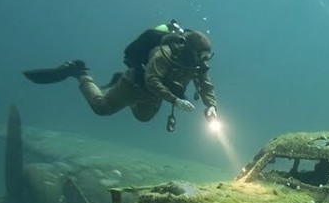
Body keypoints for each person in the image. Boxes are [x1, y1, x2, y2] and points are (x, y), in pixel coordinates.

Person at [24, 20, 219, 131]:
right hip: (135, 84)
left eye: (206, 56)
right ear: (189, 49)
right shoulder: (164, 53)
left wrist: (211, 106)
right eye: (201, 55)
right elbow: (151, 80)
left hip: (155, 94)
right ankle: (80, 73)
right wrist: (175, 100)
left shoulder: (196, 63)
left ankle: (118, 90)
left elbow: (205, 83)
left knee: (144, 117)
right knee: (102, 108)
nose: (203, 60)